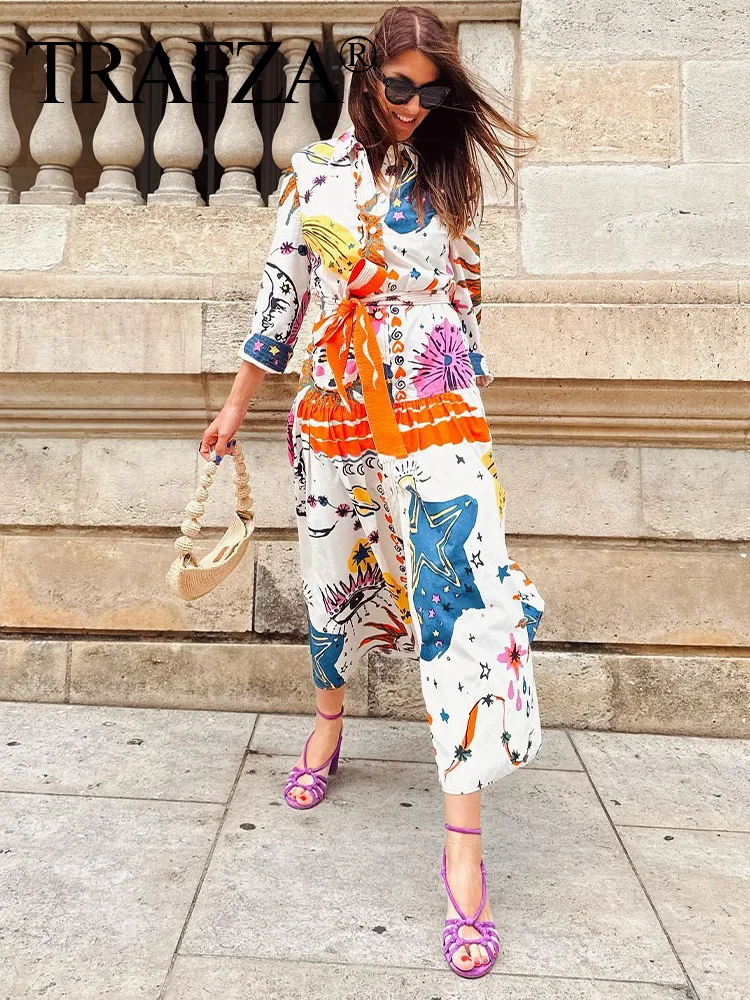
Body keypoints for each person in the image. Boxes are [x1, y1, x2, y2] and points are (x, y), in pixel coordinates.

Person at [200, 4, 545, 979]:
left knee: (462, 600)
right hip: (335, 409)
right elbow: (279, 296)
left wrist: (464, 409)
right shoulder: (313, 174)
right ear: (368, 76)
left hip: (431, 408)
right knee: (331, 574)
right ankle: (327, 721)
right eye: (400, 87)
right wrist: (235, 407)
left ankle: (464, 847)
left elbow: (463, 298)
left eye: (433, 92)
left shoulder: (449, 175)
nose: (414, 107)